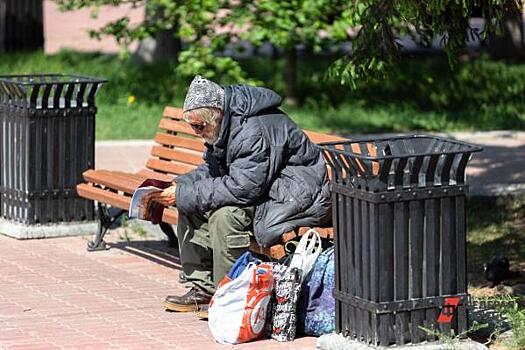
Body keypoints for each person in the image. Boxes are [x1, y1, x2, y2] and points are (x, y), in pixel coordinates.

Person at [150, 75, 331, 314]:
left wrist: (184, 192)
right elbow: (214, 170)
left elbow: (244, 187)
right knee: (189, 203)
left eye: (199, 126)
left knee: (226, 215)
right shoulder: (225, 124)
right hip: (266, 187)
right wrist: (178, 185)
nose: (196, 132)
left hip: (294, 196)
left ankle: (228, 293)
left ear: (216, 114)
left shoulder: (251, 130)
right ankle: (202, 289)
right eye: (192, 126)